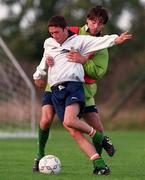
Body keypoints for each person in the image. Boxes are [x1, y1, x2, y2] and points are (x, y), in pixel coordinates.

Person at [33, 15, 132, 175]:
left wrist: (116, 39)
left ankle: (100, 141)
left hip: (74, 87)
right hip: (56, 90)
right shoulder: (49, 42)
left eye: (57, 32)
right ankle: (101, 164)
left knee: (70, 120)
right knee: (71, 127)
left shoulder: (79, 41)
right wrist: (38, 75)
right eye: (52, 33)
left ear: (66, 29)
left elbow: (100, 42)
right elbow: (46, 58)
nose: (54, 36)